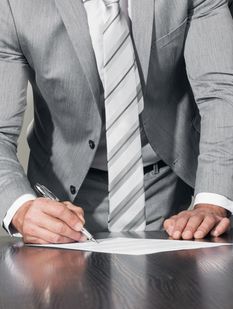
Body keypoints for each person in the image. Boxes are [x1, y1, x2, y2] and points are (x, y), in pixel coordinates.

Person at [0, 0, 233, 244]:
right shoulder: (13, 5)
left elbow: (222, 95)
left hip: (174, 190)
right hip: (60, 202)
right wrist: (22, 208)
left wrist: (211, 203)